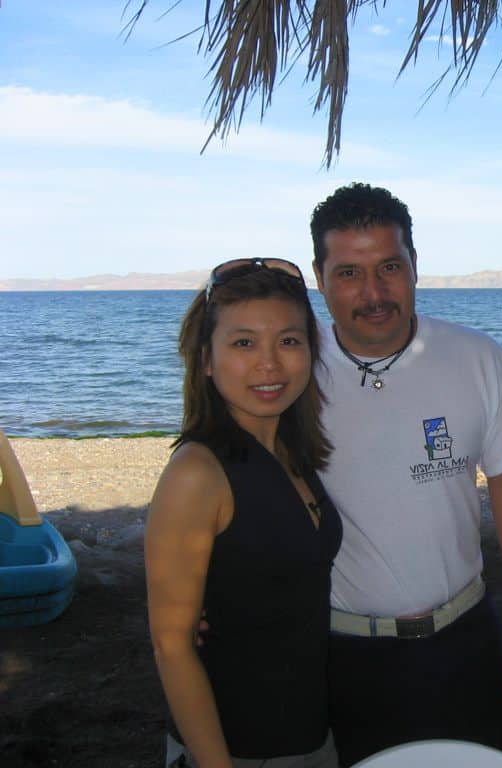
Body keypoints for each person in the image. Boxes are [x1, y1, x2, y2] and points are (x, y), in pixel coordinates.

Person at [310, 183, 502, 766]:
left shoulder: (478, 358)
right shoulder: (293, 371)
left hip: (467, 636)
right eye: (349, 273)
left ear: (415, 265)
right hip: (340, 650)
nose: (373, 293)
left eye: (389, 267)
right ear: (320, 278)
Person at [145, 259, 342, 768]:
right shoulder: (198, 472)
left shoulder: (291, 453)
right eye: (244, 343)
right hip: (238, 749)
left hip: (311, 736)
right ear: (206, 360)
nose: (269, 364)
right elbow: (171, 646)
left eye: (289, 341)